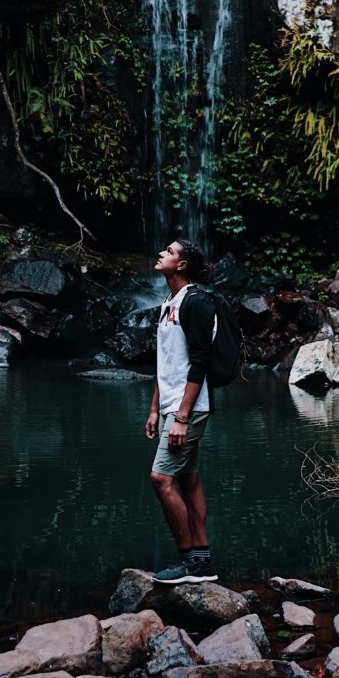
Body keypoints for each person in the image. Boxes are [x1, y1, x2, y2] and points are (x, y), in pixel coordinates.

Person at [145, 238, 218, 584]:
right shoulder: (167, 304)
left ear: (182, 265)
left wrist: (182, 417)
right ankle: (202, 559)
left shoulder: (196, 302)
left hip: (190, 407)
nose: (162, 254)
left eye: (169, 252)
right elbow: (166, 363)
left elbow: (200, 362)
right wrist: (155, 410)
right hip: (171, 406)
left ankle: (190, 563)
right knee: (188, 479)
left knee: (161, 479)